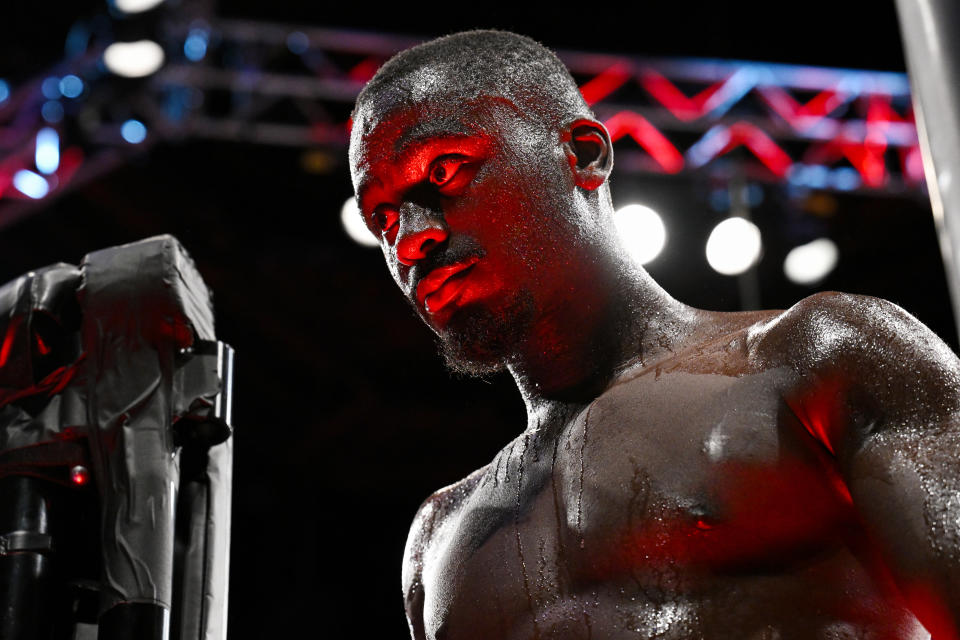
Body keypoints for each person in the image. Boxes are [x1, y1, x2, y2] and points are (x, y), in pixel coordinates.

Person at [348, 30, 960, 640]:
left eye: (445, 172)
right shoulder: (438, 541)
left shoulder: (820, 355)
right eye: (384, 217)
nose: (411, 239)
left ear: (583, 155)